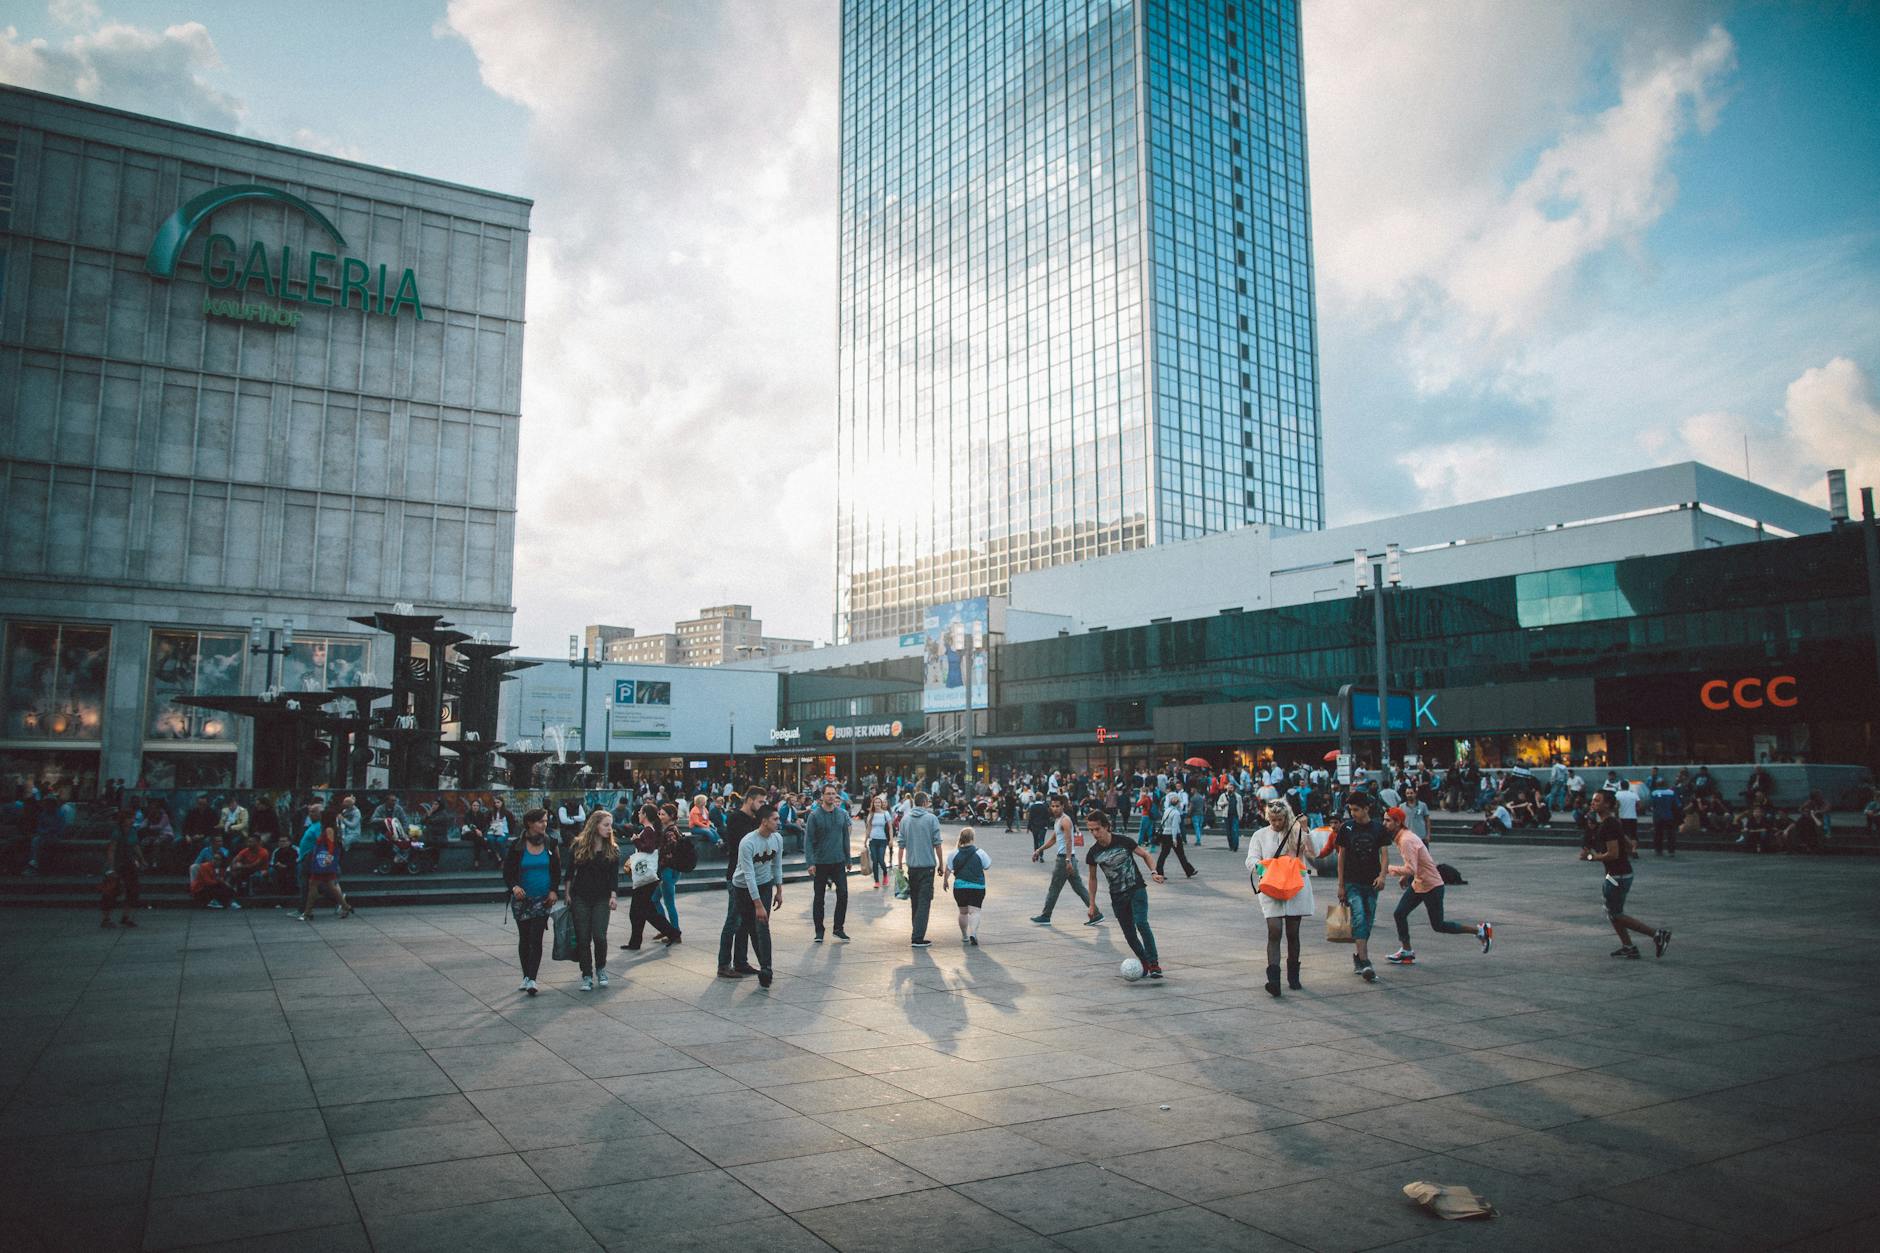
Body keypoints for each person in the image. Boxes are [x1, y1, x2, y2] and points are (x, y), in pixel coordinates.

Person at [1384, 806, 1491, 965]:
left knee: (1438, 925)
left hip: (1432, 886)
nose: (1384, 823)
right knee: (1399, 913)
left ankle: (1480, 930)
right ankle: (1406, 951)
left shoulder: (1406, 840)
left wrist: (1387, 869)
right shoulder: (1402, 837)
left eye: (1387, 820)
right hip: (1419, 883)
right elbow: (1415, 865)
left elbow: (1411, 868)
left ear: (1398, 822)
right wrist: (1405, 877)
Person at [1581, 788, 1670, 959]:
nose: (1593, 803)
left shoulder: (1609, 825)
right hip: (1618, 873)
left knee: (1615, 913)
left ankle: (1657, 935)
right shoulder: (1610, 823)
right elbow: (1630, 846)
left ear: (1607, 804)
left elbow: (1613, 854)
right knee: (1612, 912)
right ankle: (1628, 946)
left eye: (1597, 800)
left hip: (1617, 876)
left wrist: (1591, 857)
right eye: (1593, 800)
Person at [1084, 810, 1167, 978]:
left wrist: (1153, 872)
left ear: (1106, 827)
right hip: (1117, 896)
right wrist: (1092, 904)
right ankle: (1144, 962)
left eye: (1097, 829)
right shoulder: (1093, 853)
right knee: (1129, 934)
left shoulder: (1123, 841)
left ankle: (1154, 963)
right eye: (1091, 830)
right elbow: (1092, 879)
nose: (1094, 833)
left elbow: (1145, 854)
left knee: (1141, 923)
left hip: (1136, 889)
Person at [1247, 801, 1316, 997]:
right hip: (1271, 887)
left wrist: (1304, 829)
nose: (1277, 823)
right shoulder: (1259, 835)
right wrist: (1264, 867)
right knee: (1274, 930)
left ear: (1287, 817)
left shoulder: (1296, 832)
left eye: (1280, 819)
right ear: (1267, 818)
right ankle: (1274, 979)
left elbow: (1314, 852)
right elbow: (1250, 859)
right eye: (1273, 820)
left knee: (1293, 933)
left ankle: (1293, 976)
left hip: (1295, 887)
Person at [727, 803, 785, 987]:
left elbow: (777, 865)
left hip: (765, 884)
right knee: (749, 926)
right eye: (775, 819)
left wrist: (779, 890)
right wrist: (758, 905)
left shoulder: (777, 839)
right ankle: (747, 963)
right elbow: (748, 875)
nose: (778, 822)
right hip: (742, 888)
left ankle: (766, 968)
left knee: (762, 926)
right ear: (764, 821)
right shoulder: (748, 842)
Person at [503, 809, 559, 995]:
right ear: (529, 823)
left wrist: (553, 890)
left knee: (536, 939)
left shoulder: (550, 843)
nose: (544, 824)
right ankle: (526, 975)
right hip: (522, 899)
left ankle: (533, 979)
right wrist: (514, 887)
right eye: (540, 821)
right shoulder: (517, 845)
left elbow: (556, 870)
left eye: (545, 821)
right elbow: (508, 872)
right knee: (525, 938)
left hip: (542, 899)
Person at [563, 810, 620, 991]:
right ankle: (586, 974)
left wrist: (613, 896)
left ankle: (601, 968)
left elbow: (614, 877)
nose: (609, 829)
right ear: (595, 825)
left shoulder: (612, 848)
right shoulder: (578, 846)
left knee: (600, 936)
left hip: (602, 897)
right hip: (581, 896)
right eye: (606, 825)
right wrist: (567, 894)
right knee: (583, 937)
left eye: (610, 825)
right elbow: (570, 872)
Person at [1333, 794, 1387, 982]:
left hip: (1371, 882)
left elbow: (1384, 854)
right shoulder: (1346, 828)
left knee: (1368, 918)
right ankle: (1365, 962)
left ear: (1366, 809)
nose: (1353, 813)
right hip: (1352, 881)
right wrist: (1341, 885)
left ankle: (1358, 957)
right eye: (1351, 810)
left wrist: (1382, 876)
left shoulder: (1378, 828)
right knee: (1359, 916)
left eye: (1356, 809)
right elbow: (1341, 857)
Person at [1029, 795, 1101, 927]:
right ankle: (1096, 913)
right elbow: (1053, 840)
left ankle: (1046, 916)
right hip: (1068, 859)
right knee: (1079, 888)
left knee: (1054, 888)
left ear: (1063, 806)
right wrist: (1039, 850)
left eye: (1057, 806)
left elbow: (1069, 841)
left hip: (1064, 859)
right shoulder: (1058, 821)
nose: (1055, 808)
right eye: (1053, 806)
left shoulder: (1065, 821)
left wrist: (1068, 860)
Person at [717, 791, 765, 976]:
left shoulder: (754, 819)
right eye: (760, 801)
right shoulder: (736, 818)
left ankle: (741, 962)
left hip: (751, 876)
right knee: (733, 920)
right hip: (736, 876)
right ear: (750, 800)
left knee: (745, 921)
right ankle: (723, 964)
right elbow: (741, 846)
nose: (762, 805)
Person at [621, 805, 681, 950]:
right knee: (642, 911)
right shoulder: (650, 829)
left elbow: (648, 848)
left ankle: (671, 932)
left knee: (641, 911)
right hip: (648, 876)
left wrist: (635, 840)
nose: (638, 813)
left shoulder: (648, 830)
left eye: (640, 812)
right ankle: (637, 942)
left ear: (645, 815)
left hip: (646, 876)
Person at [805, 784, 853, 942]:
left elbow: (845, 837)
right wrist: (810, 862)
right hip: (820, 862)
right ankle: (819, 930)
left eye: (833, 794)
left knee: (843, 894)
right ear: (822, 797)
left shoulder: (842, 814)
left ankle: (838, 928)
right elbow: (809, 841)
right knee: (819, 897)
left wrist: (848, 858)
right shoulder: (814, 815)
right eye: (828, 794)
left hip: (838, 860)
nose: (831, 796)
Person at [897, 791, 944, 947]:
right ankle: (917, 937)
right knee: (924, 901)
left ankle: (916, 931)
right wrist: (941, 864)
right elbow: (937, 843)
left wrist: (899, 865)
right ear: (924, 803)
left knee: (915, 901)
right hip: (927, 866)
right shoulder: (931, 819)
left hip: (912, 866)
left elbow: (901, 844)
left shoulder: (905, 819)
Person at [299, 814, 353, 921]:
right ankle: (345, 906)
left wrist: (328, 857)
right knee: (329, 885)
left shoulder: (328, 830)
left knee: (314, 885)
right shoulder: (331, 829)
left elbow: (331, 844)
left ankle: (307, 912)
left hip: (322, 862)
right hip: (323, 862)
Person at [101, 809, 141, 928]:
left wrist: (142, 859)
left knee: (132, 889)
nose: (132, 820)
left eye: (133, 818)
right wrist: (111, 867)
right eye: (130, 818)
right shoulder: (117, 832)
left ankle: (126, 916)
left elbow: (135, 845)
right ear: (123, 819)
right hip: (117, 864)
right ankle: (106, 918)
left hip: (129, 863)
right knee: (111, 891)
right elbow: (111, 850)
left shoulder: (133, 830)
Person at [951, 827, 991, 945]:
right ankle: (973, 933)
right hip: (977, 887)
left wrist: (945, 881)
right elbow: (987, 865)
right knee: (975, 912)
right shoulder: (980, 852)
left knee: (963, 912)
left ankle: (964, 935)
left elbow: (949, 868)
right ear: (972, 838)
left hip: (959, 887)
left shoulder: (954, 852)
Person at [1155, 785, 1196, 878]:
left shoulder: (1167, 811)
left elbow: (1163, 822)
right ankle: (1188, 870)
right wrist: (1174, 838)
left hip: (1165, 834)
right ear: (1178, 803)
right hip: (1174, 835)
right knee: (1180, 854)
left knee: (1164, 854)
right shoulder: (1176, 813)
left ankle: (1159, 871)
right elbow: (1174, 827)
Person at [1649, 779, 1682, 857]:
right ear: (1666, 784)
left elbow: (1652, 805)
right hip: (1669, 816)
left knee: (1658, 834)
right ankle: (1671, 851)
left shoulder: (1654, 793)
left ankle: (1658, 850)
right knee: (1670, 834)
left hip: (1658, 817)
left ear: (1657, 785)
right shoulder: (1671, 793)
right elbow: (1678, 805)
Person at [865, 795, 893, 888]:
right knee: (875, 861)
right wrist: (865, 840)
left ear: (881, 804)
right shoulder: (871, 814)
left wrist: (891, 840)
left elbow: (890, 827)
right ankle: (876, 881)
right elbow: (868, 828)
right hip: (873, 840)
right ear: (873, 803)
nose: (877, 804)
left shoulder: (886, 813)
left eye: (879, 802)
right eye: (875, 802)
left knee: (881, 860)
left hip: (883, 840)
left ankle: (885, 874)